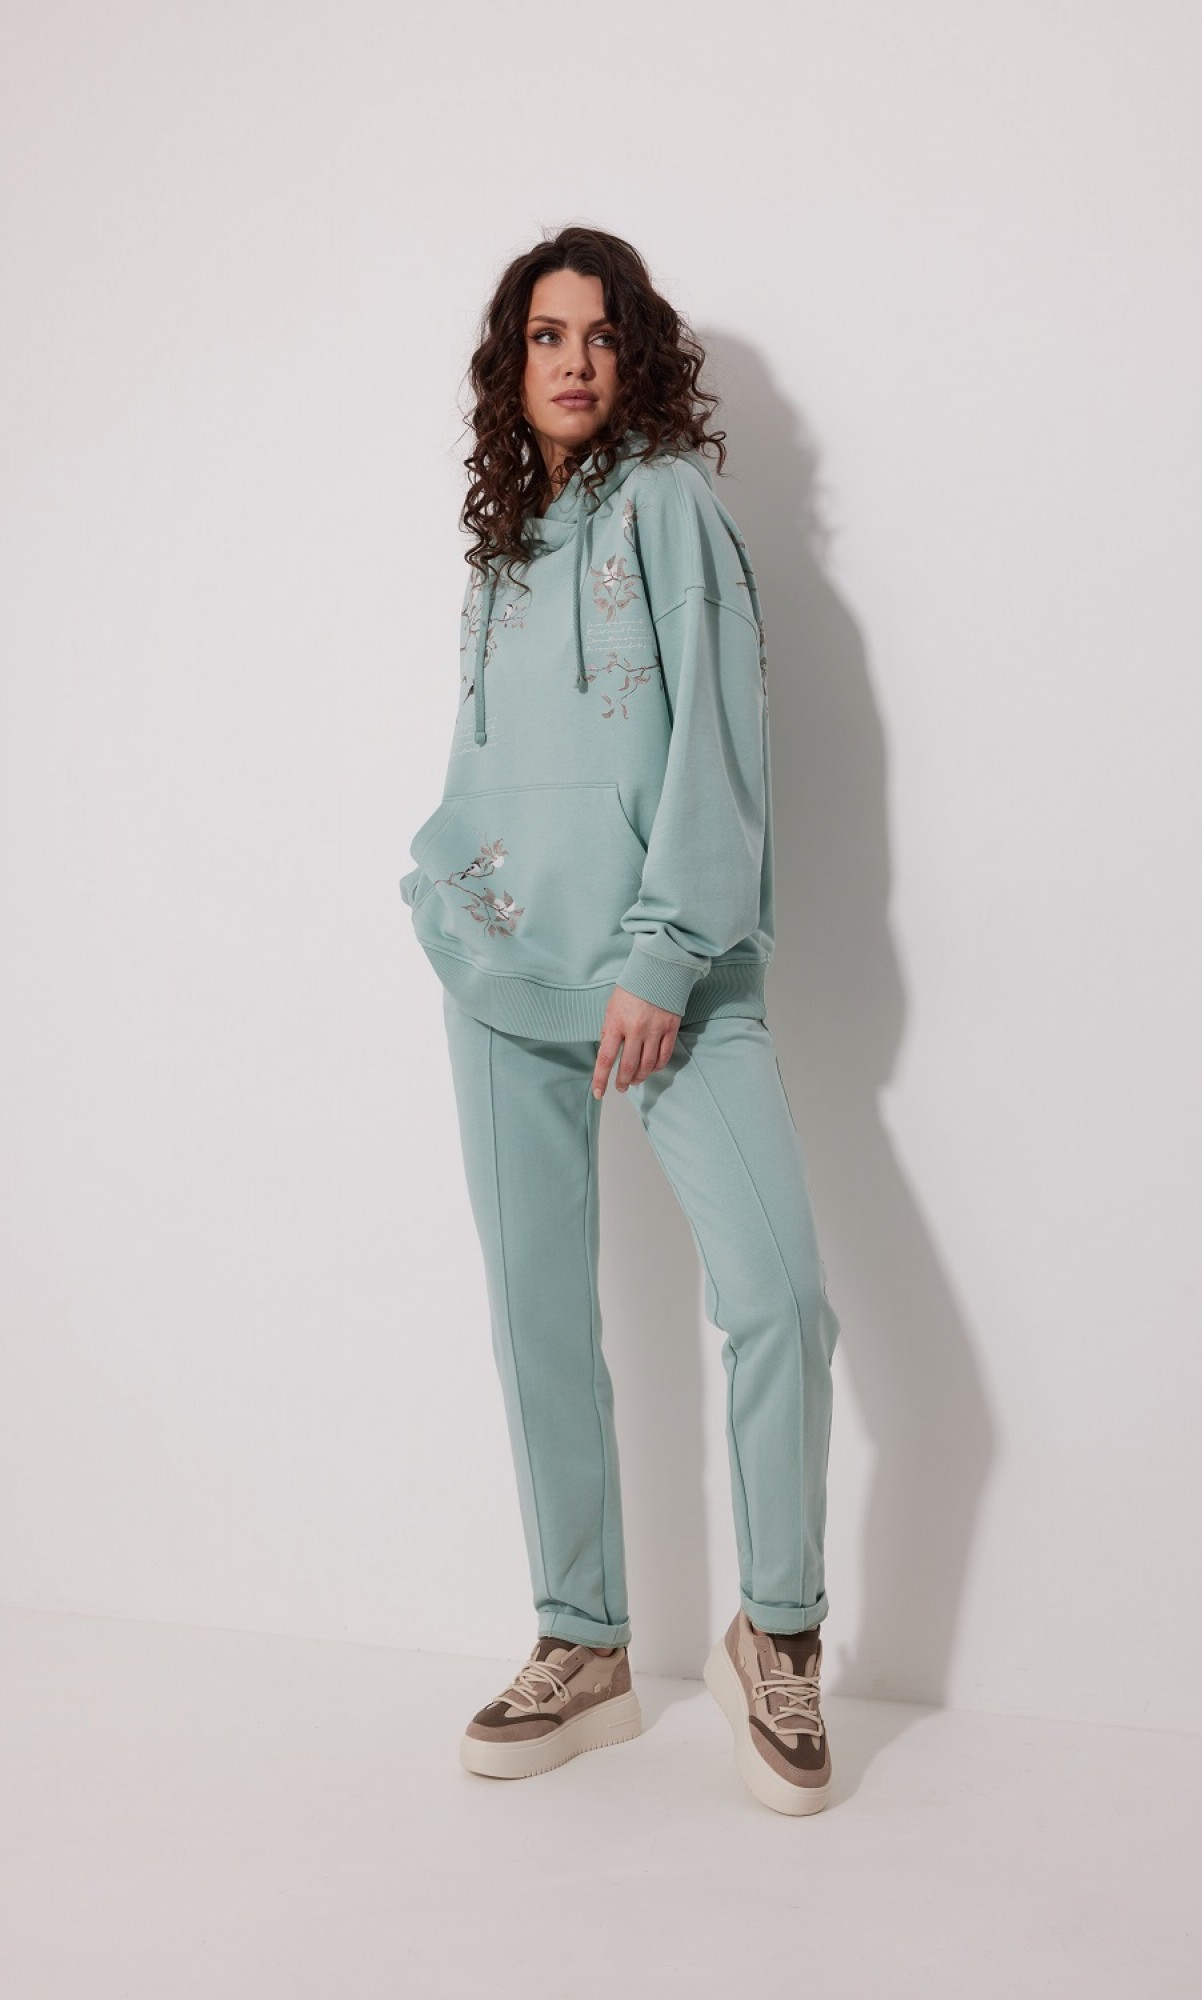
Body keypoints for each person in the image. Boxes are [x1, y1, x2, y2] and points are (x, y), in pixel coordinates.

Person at [399, 225, 841, 1816]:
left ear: (635, 354)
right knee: (536, 1321)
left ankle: (775, 1631)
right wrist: (442, 887)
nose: (572, 359)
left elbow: (716, 743)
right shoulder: (503, 541)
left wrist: (663, 954)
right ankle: (580, 1643)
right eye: (544, 335)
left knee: (779, 1300)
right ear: (509, 365)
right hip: (499, 972)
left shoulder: (668, 506)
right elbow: (490, 762)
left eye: (598, 333)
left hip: (671, 979)